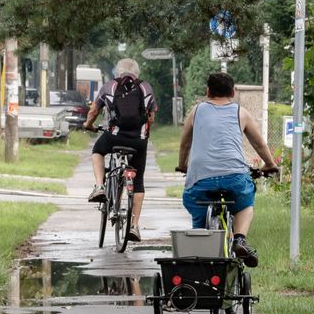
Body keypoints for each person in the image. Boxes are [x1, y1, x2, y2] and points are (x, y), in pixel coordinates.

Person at [177, 72, 278, 267]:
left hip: (201, 179)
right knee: (245, 204)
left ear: (207, 92)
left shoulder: (196, 111)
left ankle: (200, 245)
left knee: (197, 208)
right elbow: (260, 145)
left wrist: (183, 166)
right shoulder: (241, 112)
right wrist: (270, 164)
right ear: (233, 92)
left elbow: (185, 144)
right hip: (235, 177)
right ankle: (240, 239)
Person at [84, 58, 156, 242]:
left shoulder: (109, 86)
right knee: (138, 181)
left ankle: (100, 186)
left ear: (118, 72)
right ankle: (134, 226)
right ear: (136, 73)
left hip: (114, 136)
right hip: (139, 141)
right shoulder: (146, 87)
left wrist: (88, 124)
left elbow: (93, 111)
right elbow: (151, 117)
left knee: (98, 151)